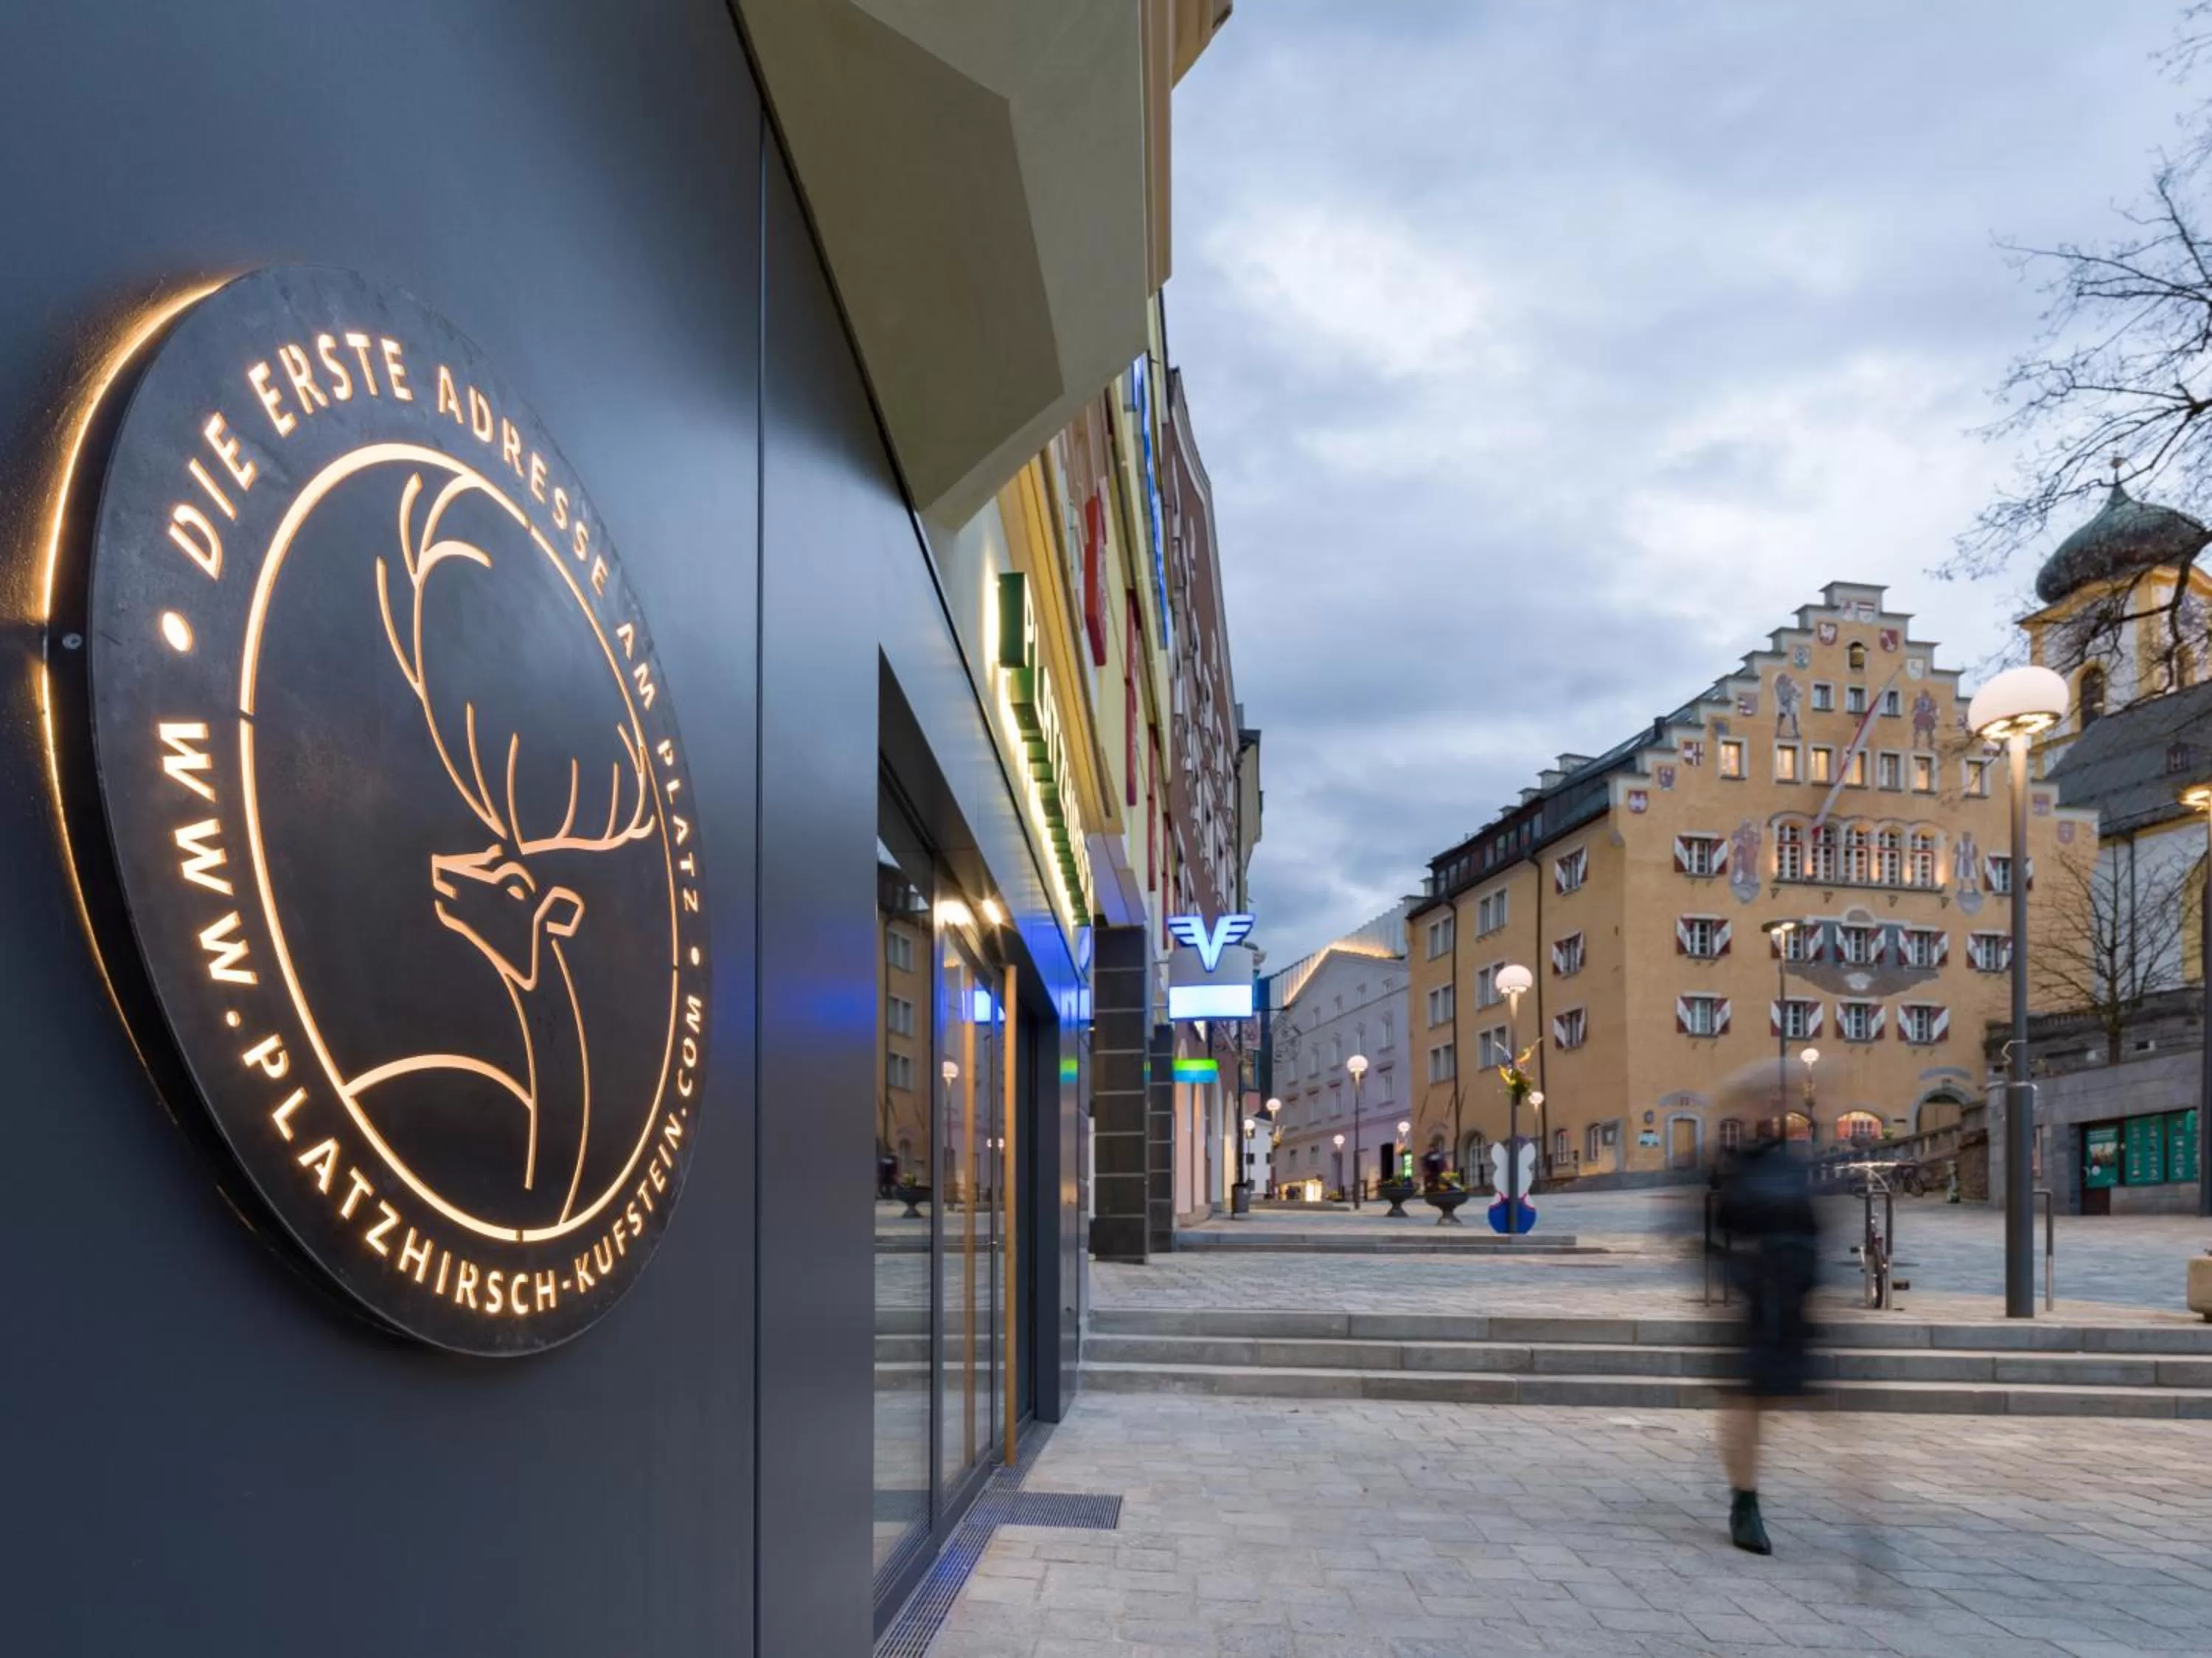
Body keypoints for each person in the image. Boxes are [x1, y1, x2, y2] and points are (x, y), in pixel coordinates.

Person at [1710, 1058, 1821, 1555]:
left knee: (1769, 1399)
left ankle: (1746, 1488)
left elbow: (1817, 1225)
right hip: (1754, 1297)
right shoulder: (1727, 1163)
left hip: (1796, 1294)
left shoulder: (1794, 1164)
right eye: (1769, 1097)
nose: (1777, 1104)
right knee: (1748, 1400)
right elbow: (1710, 1233)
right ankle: (1745, 1500)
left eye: (1783, 1098)